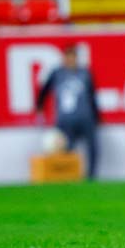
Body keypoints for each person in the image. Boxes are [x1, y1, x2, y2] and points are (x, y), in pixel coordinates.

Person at [35, 44, 101, 179]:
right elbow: (44, 90)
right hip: (65, 120)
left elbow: (92, 95)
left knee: (92, 147)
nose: (71, 60)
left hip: (85, 117)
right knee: (65, 149)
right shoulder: (57, 73)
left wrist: (97, 116)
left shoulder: (85, 73)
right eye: (68, 57)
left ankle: (91, 176)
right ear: (64, 58)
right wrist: (39, 106)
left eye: (73, 57)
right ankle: (67, 176)